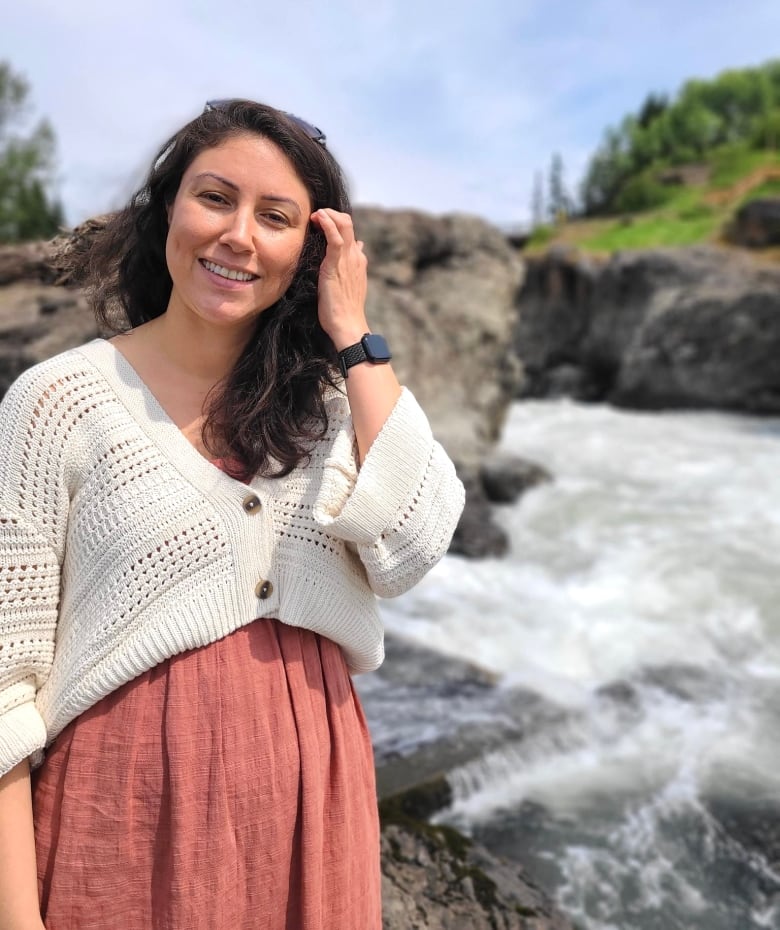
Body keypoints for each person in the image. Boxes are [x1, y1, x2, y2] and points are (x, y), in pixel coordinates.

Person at [0, 99, 465, 930]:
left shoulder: (328, 414)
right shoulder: (58, 403)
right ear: (169, 207)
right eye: (215, 198)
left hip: (313, 809)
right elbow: (4, 682)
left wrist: (353, 335)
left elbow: (413, 546)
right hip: (126, 815)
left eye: (276, 216)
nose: (239, 235)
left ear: (311, 249)